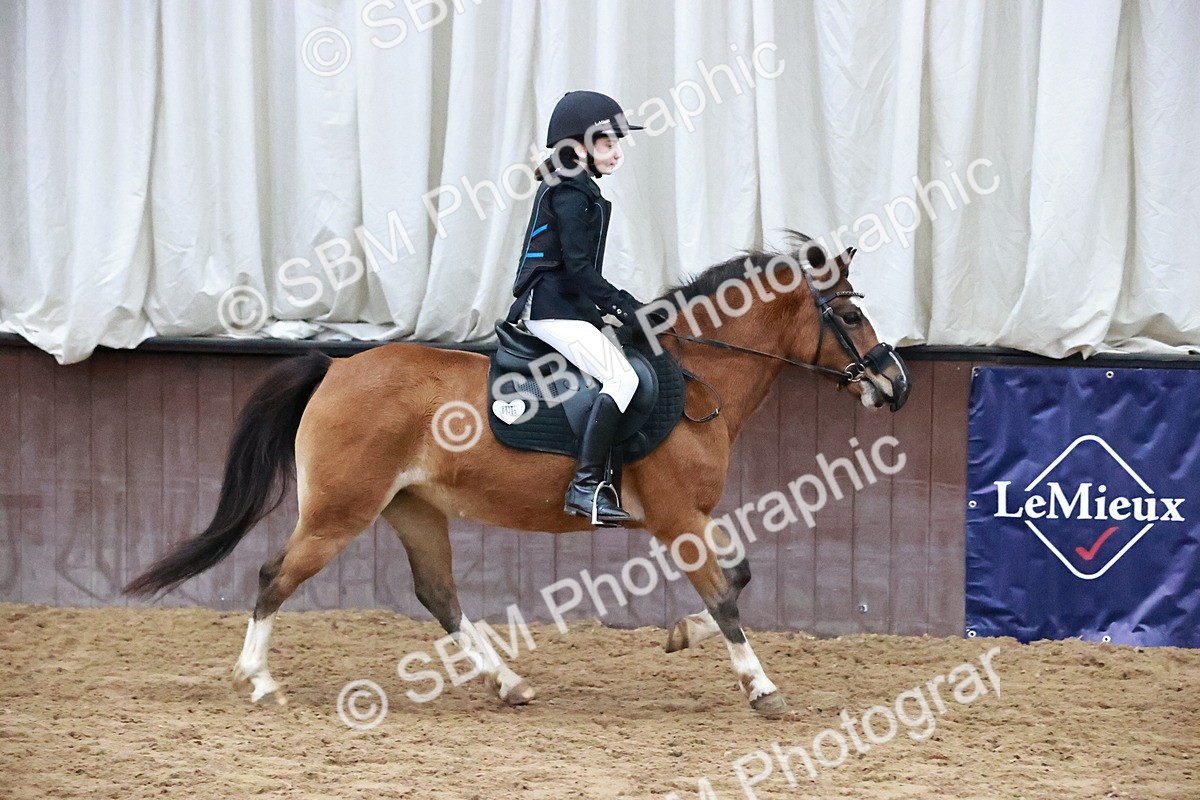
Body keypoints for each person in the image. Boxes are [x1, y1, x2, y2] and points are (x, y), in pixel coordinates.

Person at [508, 90, 658, 526]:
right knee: (622, 377)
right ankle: (586, 487)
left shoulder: (578, 186)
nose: (617, 153)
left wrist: (614, 309)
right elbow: (577, 269)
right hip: (551, 308)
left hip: (566, 304)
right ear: (578, 146)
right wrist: (626, 307)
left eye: (617, 144)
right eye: (608, 143)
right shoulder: (570, 191)